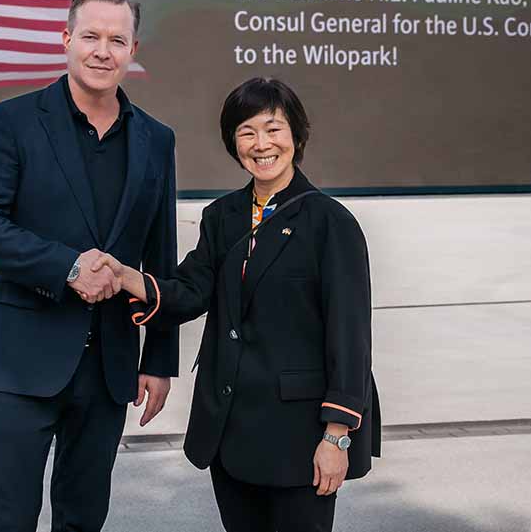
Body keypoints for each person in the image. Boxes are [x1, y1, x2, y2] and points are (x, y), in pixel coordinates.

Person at [95, 77, 380, 532]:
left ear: (297, 135)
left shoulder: (331, 224)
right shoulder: (221, 216)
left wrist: (337, 435)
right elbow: (191, 290)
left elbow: (351, 339)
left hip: (299, 437)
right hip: (230, 430)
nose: (261, 144)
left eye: (273, 129)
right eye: (247, 132)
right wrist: (128, 277)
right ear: (233, 142)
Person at [0, 0, 179, 532]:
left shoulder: (157, 139)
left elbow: (160, 254)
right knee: (7, 520)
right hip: (20, 361)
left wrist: (159, 359)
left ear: (133, 50)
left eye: (117, 40)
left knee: (83, 519)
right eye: (90, 37)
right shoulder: (10, 121)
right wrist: (68, 268)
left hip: (109, 367)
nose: (103, 51)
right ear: (66, 39)